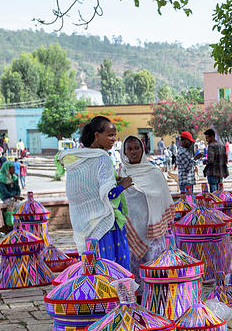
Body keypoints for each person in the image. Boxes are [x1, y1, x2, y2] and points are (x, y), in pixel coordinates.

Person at [61, 116, 132, 268]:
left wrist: (114, 180)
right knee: (111, 267)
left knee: (93, 267)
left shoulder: (78, 158)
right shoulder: (102, 158)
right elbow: (109, 194)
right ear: (96, 135)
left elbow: (88, 188)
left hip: (86, 222)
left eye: (114, 135)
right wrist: (123, 185)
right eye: (110, 135)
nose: (113, 139)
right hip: (104, 222)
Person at [120, 135, 174, 279]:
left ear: (142, 150)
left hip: (153, 232)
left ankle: (155, 297)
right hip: (130, 230)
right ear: (124, 152)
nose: (133, 152)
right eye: (129, 149)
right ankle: (136, 296)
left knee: (154, 266)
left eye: (136, 148)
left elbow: (163, 198)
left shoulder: (154, 173)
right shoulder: (121, 174)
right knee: (134, 267)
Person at [0, 157, 22, 228]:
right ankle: (13, 225)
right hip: (7, 198)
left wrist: (17, 195)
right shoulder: (2, 180)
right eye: (12, 168)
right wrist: (14, 196)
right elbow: (4, 192)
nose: (14, 169)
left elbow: (18, 188)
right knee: (18, 206)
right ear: (7, 169)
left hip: (15, 198)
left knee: (23, 205)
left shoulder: (14, 178)